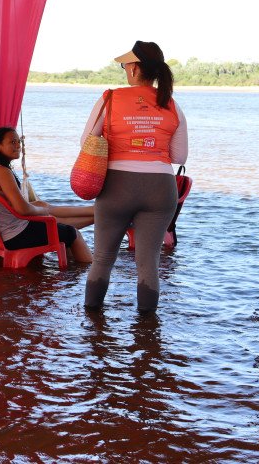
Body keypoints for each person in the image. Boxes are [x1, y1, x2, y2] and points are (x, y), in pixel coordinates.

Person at [82, 40, 188, 313]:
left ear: (134, 69)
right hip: (160, 189)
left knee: (103, 257)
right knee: (148, 261)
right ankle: (148, 334)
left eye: (125, 65)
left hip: (116, 186)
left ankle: (92, 326)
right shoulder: (171, 104)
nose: (124, 69)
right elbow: (179, 156)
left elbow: (87, 142)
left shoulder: (111, 98)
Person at [0, 127, 94, 262]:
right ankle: (88, 271)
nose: (18, 146)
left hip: (0, 233)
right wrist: (42, 211)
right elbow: (23, 209)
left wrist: (41, 209)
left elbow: (16, 206)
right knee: (73, 233)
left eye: (19, 142)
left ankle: (94, 213)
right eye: (12, 142)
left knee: (45, 209)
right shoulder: (2, 172)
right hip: (14, 236)